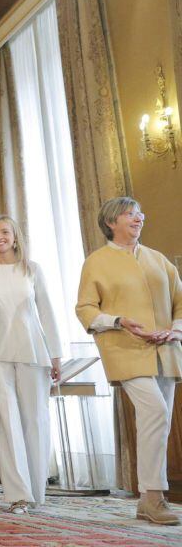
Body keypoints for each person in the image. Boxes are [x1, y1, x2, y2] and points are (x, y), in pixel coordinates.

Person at [75, 197, 182, 526]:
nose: (139, 218)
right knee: (156, 412)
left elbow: (180, 300)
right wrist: (120, 320)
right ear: (111, 222)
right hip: (124, 348)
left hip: (165, 351)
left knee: (158, 422)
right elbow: (86, 309)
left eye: (140, 214)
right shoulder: (97, 262)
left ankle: (147, 500)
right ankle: (152, 496)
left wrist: (175, 329)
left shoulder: (158, 259)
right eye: (130, 215)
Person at [0, 216, 62, 514]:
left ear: (15, 237)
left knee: (36, 419)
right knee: (7, 422)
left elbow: (46, 310)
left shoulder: (32, 269)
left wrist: (56, 354)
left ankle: (37, 492)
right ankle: (17, 495)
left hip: (34, 351)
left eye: (4, 232)